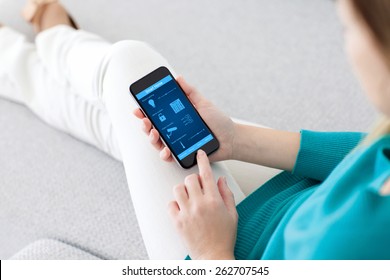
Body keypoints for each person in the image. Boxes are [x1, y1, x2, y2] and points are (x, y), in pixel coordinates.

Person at [0, 0, 389, 260]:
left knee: (126, 64)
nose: (347, 46)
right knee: (132, 126)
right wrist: (236, 140)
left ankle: (55, 38)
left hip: (231, 252)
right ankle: (32, 49)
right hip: (292, 195)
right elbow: (367, 153)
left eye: (347, 30)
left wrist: (212, 252)